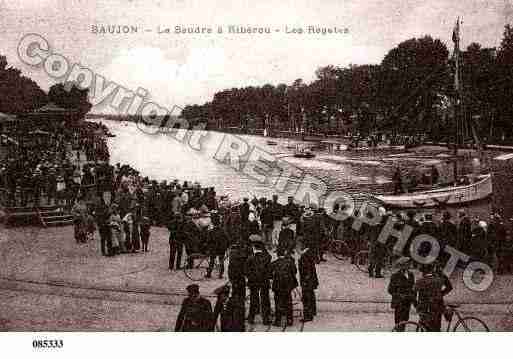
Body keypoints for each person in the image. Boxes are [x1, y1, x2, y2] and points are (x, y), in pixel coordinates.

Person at [413, 264, 452, 332]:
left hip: (425, 308)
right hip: (438, 306)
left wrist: (416, 305)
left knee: (425, 327)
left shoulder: (420, 280)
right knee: (436, 327)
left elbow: (413, 293)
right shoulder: (440, 278)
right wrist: (440, 294)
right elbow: (449, 287)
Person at [245, 240, 272, 325]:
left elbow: (246, 271)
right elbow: (269, 270)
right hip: (264, 281)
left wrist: (250, 277)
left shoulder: (250, 258)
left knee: (253, 299)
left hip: (253, 282)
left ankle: (251, 318)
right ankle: (266, 319)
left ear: (254, 248)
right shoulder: (267, 257)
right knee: (265, 300)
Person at [270, 248, 298, 327]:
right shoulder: (290, 262)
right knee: (288, 302)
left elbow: (269, 274)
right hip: (287, 286)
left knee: (278, 302)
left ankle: (278, 320)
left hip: (277, 286)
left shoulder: (274, 263)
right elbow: (295, 271)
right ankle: (289, 320)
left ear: (277, 255)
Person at [387, 257, 416, 331]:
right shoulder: (395, 276)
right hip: (399, 302)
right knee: (398, 321)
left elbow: (413, 287)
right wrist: (399, 295)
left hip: (407, 302)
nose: (409, 265)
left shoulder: (411, 275)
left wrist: (413, 297)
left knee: (405, 319)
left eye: (409, 264)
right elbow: (390, 290)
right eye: (407, 264)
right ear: (402, 265)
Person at [298, 242, 318, 322]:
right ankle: (312, 311)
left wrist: (305, 281)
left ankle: (307, 316)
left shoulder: (304, 256)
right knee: (311, 295)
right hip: (311, 280)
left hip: (307, 280)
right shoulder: (309, 253)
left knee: (306, 298)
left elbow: (306, 270)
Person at [205, 213, 229, 279]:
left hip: (213, 249)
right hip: (221, 249)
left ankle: (209, 274)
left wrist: (207, 248)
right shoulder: (223, 231)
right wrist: (226, 247)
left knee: (212, 261)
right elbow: (227, 239)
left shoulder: (211, 232)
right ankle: (220, 274)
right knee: (221, 261)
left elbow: (208, 241)